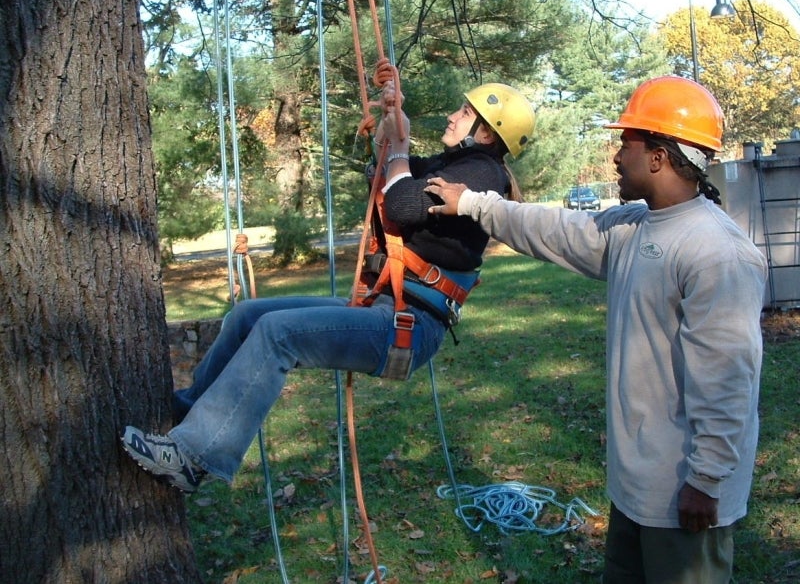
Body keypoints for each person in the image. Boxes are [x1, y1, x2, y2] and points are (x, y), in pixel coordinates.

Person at [122, 73, 536, 493]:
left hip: (408, 326)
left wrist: (400, 148)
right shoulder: (453, 166)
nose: (451, 116)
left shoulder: (482, 174)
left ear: (485, 131)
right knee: (248, 315)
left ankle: (195, 458)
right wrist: (394, 127)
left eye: (463, 112)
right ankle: (187, 413)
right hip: (387, 308)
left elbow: (402, 204)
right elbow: (388, 176)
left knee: (278, 334)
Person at [424, 76, 767, 583]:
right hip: (636, 487)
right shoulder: (632, 226)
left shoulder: (717, 252)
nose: (614, 156)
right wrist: (475, 204)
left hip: (688, 495)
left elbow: (728, 379)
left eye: (625, 143)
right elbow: (555, 229)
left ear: (658, 156)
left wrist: (709, 479)